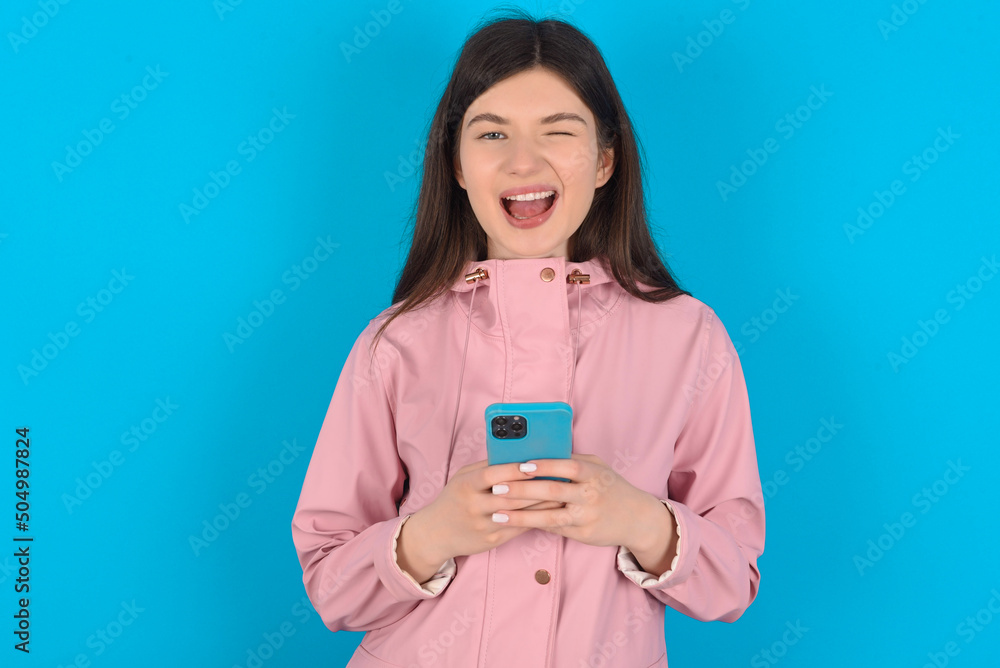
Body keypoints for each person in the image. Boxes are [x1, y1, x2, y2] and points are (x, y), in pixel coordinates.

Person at [291, 9, 765, 667]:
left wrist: (638, 519)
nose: (523, 161)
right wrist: (432, 533)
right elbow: (330, 585)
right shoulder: (394, 344)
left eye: (558, 131)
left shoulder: (688, 338)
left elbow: (733, 578)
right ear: (456, 163)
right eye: (491, 133)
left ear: (604, 159)